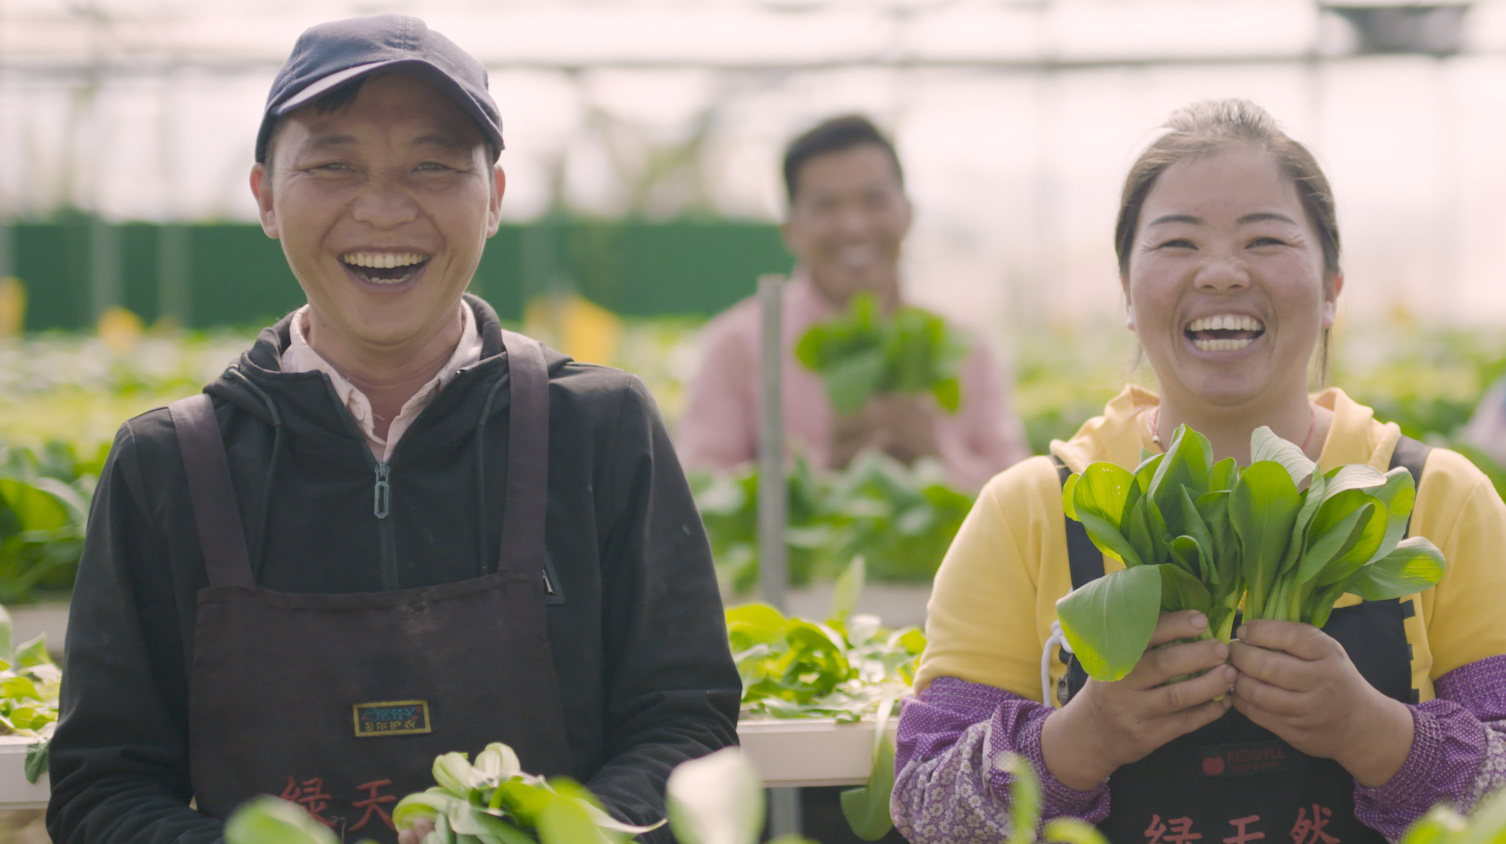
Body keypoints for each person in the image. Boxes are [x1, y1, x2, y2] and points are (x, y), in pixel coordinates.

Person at [45, 15, 741, 844]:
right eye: (334, 166)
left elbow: (687, 730)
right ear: (266, 197)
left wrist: (553, 834)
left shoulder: (599, 428)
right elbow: (102, 787)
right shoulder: (168, 464)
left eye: (434, 166)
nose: (382, 210)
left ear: (495, 200)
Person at [892, 99, 1506, 843]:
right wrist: (1082, 741)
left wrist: (1375, 734)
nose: (1219, 273)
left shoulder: (1437, 500)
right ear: (1126, 292)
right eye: (1177, 243)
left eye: (1266, 240)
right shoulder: (1030, 511)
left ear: (1332, 290)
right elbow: (924, 804)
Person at [676, 115, 1029, 491]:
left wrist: (938, 458)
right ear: (791, 230)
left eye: (874, 201)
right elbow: (697, 498)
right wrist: (819, 472)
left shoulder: (967, 349)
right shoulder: (738, 346)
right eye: (827, 207)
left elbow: (1023, 498)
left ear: (907, 215)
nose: (854, 226)